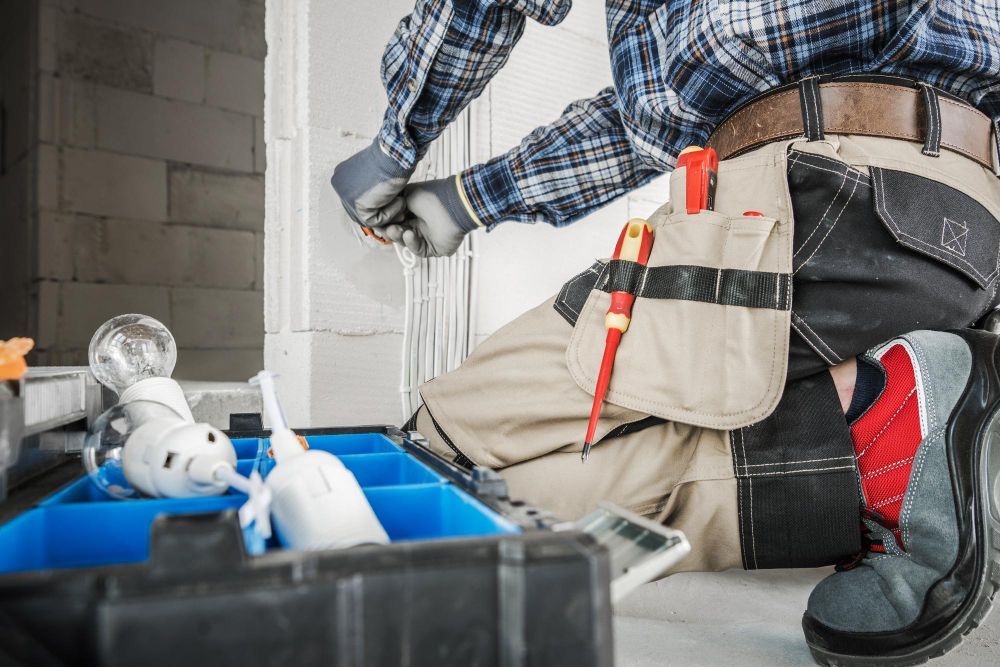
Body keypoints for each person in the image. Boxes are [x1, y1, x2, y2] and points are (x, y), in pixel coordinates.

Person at [331, 2, 1000, 665]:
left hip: (814, 201)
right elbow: (651, 117)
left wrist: (393, 145)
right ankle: (883, 449)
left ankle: (879, 421)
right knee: (508, 516)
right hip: (962, 241)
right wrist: (466, 199)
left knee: (445, 437)